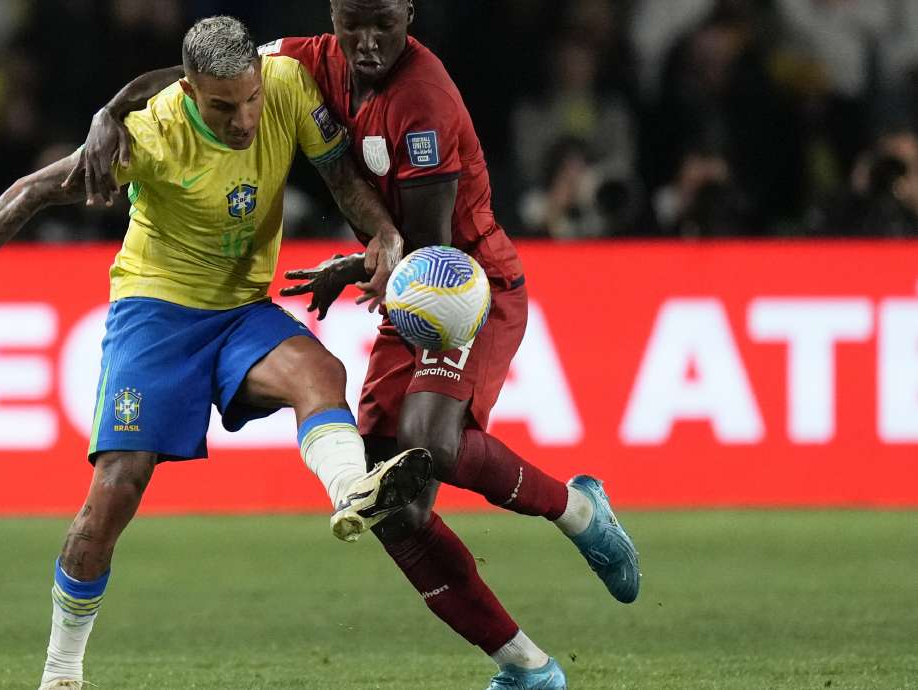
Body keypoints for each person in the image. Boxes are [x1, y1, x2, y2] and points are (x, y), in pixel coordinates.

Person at [73, 3, 641, 689]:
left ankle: (578, 509)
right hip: (406, 289)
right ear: (333, 14)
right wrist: (111, 110)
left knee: (432, 438)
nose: (367, 42)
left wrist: (360, 260)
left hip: (462, 282)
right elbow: (195, 72)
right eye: (352, 23)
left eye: (383, 24)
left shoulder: (422, 101)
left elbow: (426, 246)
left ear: (409, 12)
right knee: (390, 502)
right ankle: (526, 667)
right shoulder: (304, 57)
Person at [0, 17, 434, 690]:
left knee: (321, 372)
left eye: (250, 100)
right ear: (189, 91)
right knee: (118, 489)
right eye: (222, 107)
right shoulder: (151, 134)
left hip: (240, 309)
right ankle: (61, 671)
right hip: (157, 314)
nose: (243, 120)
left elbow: (339, 174)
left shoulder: (288, 85)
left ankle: (352, 491)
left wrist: (381, 231)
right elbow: (31, 191)